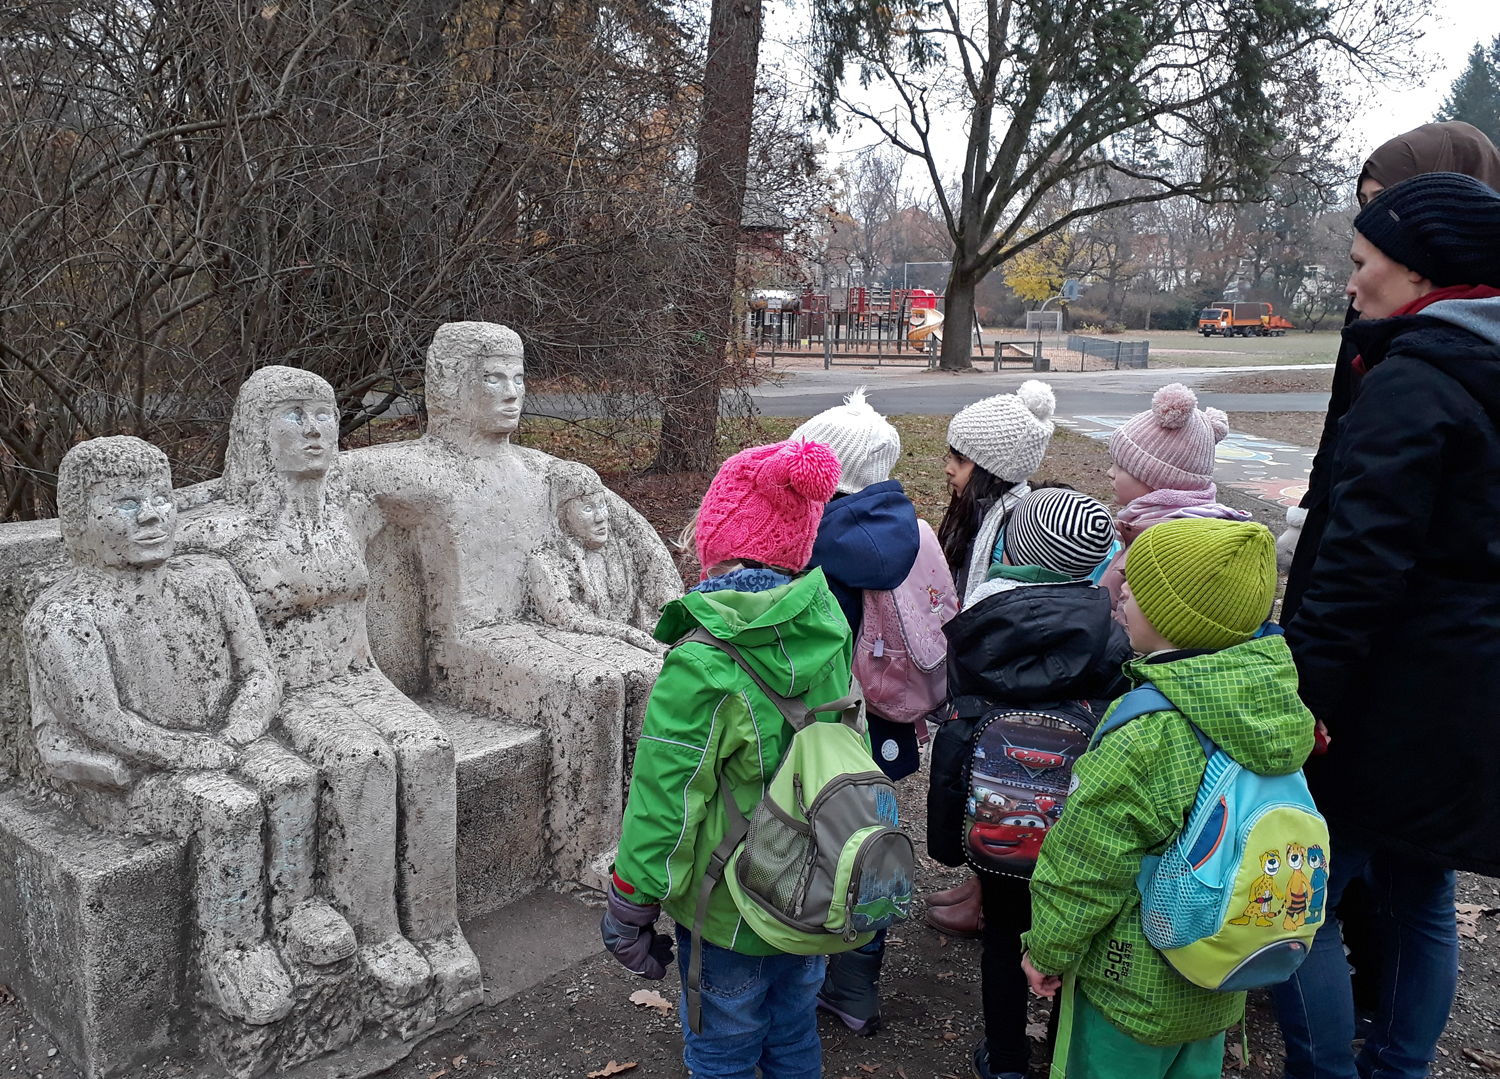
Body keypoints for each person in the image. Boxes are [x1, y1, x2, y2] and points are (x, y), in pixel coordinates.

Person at [1272, 172, 1500, 1079]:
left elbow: (1357, 569)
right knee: (1420, 888)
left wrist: (1300, 701)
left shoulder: (1413, 385)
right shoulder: (1478, 370)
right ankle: (1400, 1067)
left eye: (1362, 259)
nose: (1350, 280)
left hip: (1387, 695)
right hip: (1467, 690)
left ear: (1418, 271)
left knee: (1302, 897)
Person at [184, 367, 481, 1021]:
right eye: (293, 415)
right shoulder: (227, 529)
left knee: (429, 748)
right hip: (289, 692)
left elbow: (425, 474)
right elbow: (158, 529)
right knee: (361, 761)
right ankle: (377, 935)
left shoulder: (345, 506)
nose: (315, 428)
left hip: (360, 675)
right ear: (255, 432)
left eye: (323, 413)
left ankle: (437, 928)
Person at [24, 436, 332, 1027]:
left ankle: (296, 912)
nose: (151, 515)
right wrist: (191, 751)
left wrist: (240, 729)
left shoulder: (211, 578)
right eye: (124, 504)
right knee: (227, 810)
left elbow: (260, 670)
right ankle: (233, 951)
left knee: (292, 779)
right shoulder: (66, 614)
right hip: (134, 774)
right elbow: (102, 720)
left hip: (225, 740)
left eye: (161, 498)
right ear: (80, 522)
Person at [1023, 518, 1314, 1079]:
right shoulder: (1271, 706)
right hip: (1221, 968)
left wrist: (1048, 949)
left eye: (1136, 588)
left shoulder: (1147, 732)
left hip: (1129, 986)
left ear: (1174, 618)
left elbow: (1088, 861)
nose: (1122, 594)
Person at [600, 438, 848, 1079]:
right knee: (793, 1033)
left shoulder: (702, 662)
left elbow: (667, 799)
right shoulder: (828, 630)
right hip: (815, 886)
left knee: (723, 1048)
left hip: (730, 906)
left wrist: (631, 903)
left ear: (717, 542)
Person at [938, 487, 1130, 1079]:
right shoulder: (1112, 630)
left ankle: (1006, 1060)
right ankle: (1064, 1051)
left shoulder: (979, 625)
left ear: (1017, 549)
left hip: (999, 816)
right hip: (1078, 823)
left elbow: (959, 712)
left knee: (1002, 935)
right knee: (1075, 935)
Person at [1280, 121, 1500, 622]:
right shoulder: (1383, 312)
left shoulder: (1415, 378)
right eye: (1364, 202)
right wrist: (1313, 510)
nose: (1371, 218)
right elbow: (1340, 422)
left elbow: (1360, 573)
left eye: (1384, 200)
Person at [788, 390, 923, 1037]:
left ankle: (796, 971)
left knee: (807, 841)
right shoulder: (902, 526)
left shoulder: (815, 541)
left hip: (825, 726)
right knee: (870, 846)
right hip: (886, 724)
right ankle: (857, 987)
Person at [925, 381, 1057, 940]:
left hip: (1000, 677)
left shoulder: (1012, 522)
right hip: (984, 667)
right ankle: (979, 882)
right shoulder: (989, 514)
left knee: (991, 781)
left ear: (988, 468)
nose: (948, 469)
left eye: (958, 460)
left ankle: (989, 892)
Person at [1096, 382, 1248, 620]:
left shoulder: (1160, 548)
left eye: (1122, 466)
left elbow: (1133, 625)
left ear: (1158, 479)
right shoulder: (1148, 525)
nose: (1110, 473)